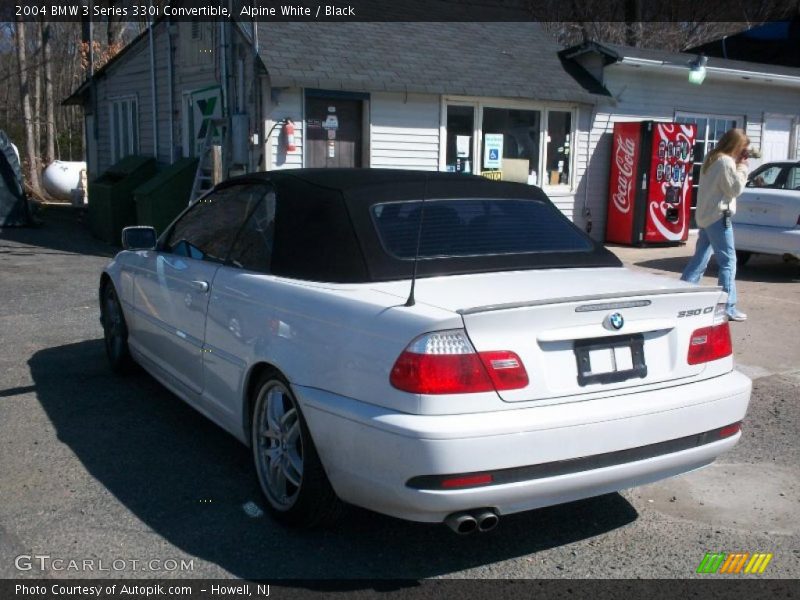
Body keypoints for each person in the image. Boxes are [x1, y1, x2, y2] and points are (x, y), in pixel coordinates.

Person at [681, 128, 749, 321]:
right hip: (719, 216)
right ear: (736, 145)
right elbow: (734, 189)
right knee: (728, 262)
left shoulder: (711, 158)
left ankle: (683, 295)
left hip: (705, 216)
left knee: (700, 258)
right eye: (743, 148)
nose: (743, 152)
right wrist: (743, 167)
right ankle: (728, 305)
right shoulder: (726, 161)